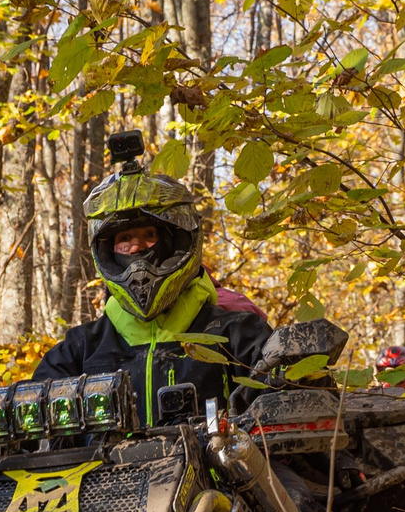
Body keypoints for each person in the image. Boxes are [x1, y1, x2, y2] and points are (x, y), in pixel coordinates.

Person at [32, 130, 272, 416]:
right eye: (125, 239)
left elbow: (288, 403)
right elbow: (27, 425)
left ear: (175, 242)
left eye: (150, 234)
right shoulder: (81, 349)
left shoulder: (236, 334)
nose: (138, 248)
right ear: (109, 250)